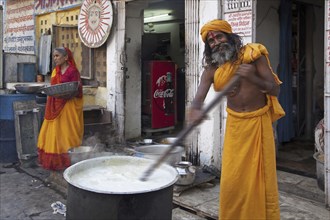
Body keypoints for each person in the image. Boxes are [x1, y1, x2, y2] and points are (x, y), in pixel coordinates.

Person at [187, 19, 285, 219]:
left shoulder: (253, 55)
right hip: (235, 126)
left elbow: (275, 89)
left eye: (219, 36)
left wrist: (253, 77)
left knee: (260, 181)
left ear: (229, 36)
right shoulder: (212, 68)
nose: (216, 42)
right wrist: (195, 110)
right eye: (211, 40)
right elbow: (198, 98)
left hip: (258, 124)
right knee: (232, 180)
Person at [37, 47, 84, 171]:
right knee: (55, 133)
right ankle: (56, 162)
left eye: (57, 56)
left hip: (69, 106)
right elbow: (53, 88)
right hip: (55, 105)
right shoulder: (54, 71)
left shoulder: (73, 71)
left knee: (67, 132)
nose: (55, 58)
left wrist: (67, 94)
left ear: (66, 57)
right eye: (54, 56)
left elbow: (77, 89)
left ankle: (70, 159)